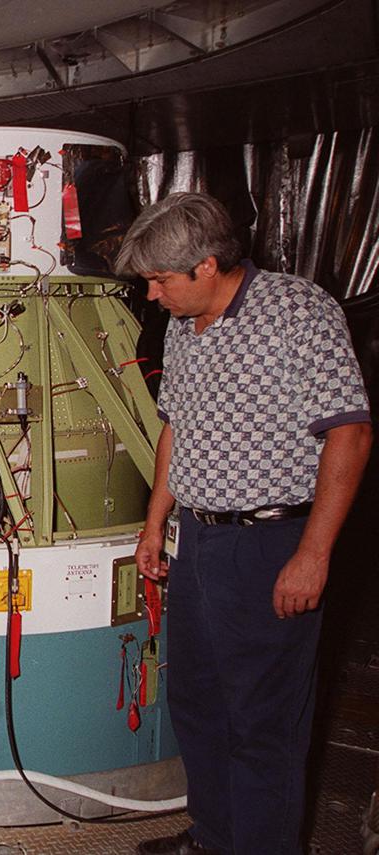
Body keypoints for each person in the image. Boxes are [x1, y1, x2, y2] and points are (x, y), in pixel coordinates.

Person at [120, 193, 372, 855]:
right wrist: (155, 525)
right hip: (200, 542)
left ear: (207, 266)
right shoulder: (183, 324)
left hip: (271, 543)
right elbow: (178, 426)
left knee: (264, 721)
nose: (151, 295)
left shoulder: (297, 311)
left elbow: (349, 432)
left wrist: (314, 553)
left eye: (160, 280)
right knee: (198, 705)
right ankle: (214, 837)